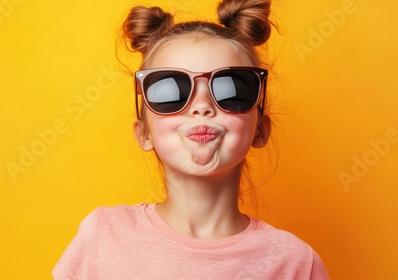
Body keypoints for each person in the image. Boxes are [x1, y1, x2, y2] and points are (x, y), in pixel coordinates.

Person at [53, 0, 329, 279]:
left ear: (260, 130)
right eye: (170, 90)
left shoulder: (295, 262)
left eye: (230, 88)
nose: (201, 106)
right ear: (144, 133)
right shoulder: (104, 236)